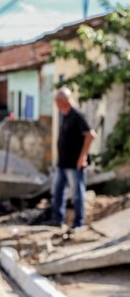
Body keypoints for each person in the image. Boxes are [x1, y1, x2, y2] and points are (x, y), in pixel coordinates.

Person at [51, 87, 96, 229]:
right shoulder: (66, 115)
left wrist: (82, 157)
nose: (57, 106)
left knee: (77, 194)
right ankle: (57, 220)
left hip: (74, 164)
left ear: (62, 101)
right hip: (63, 163)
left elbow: (90, 135)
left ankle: (79, 222)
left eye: (58, 103)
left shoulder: (77, 115)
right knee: (58, 192)